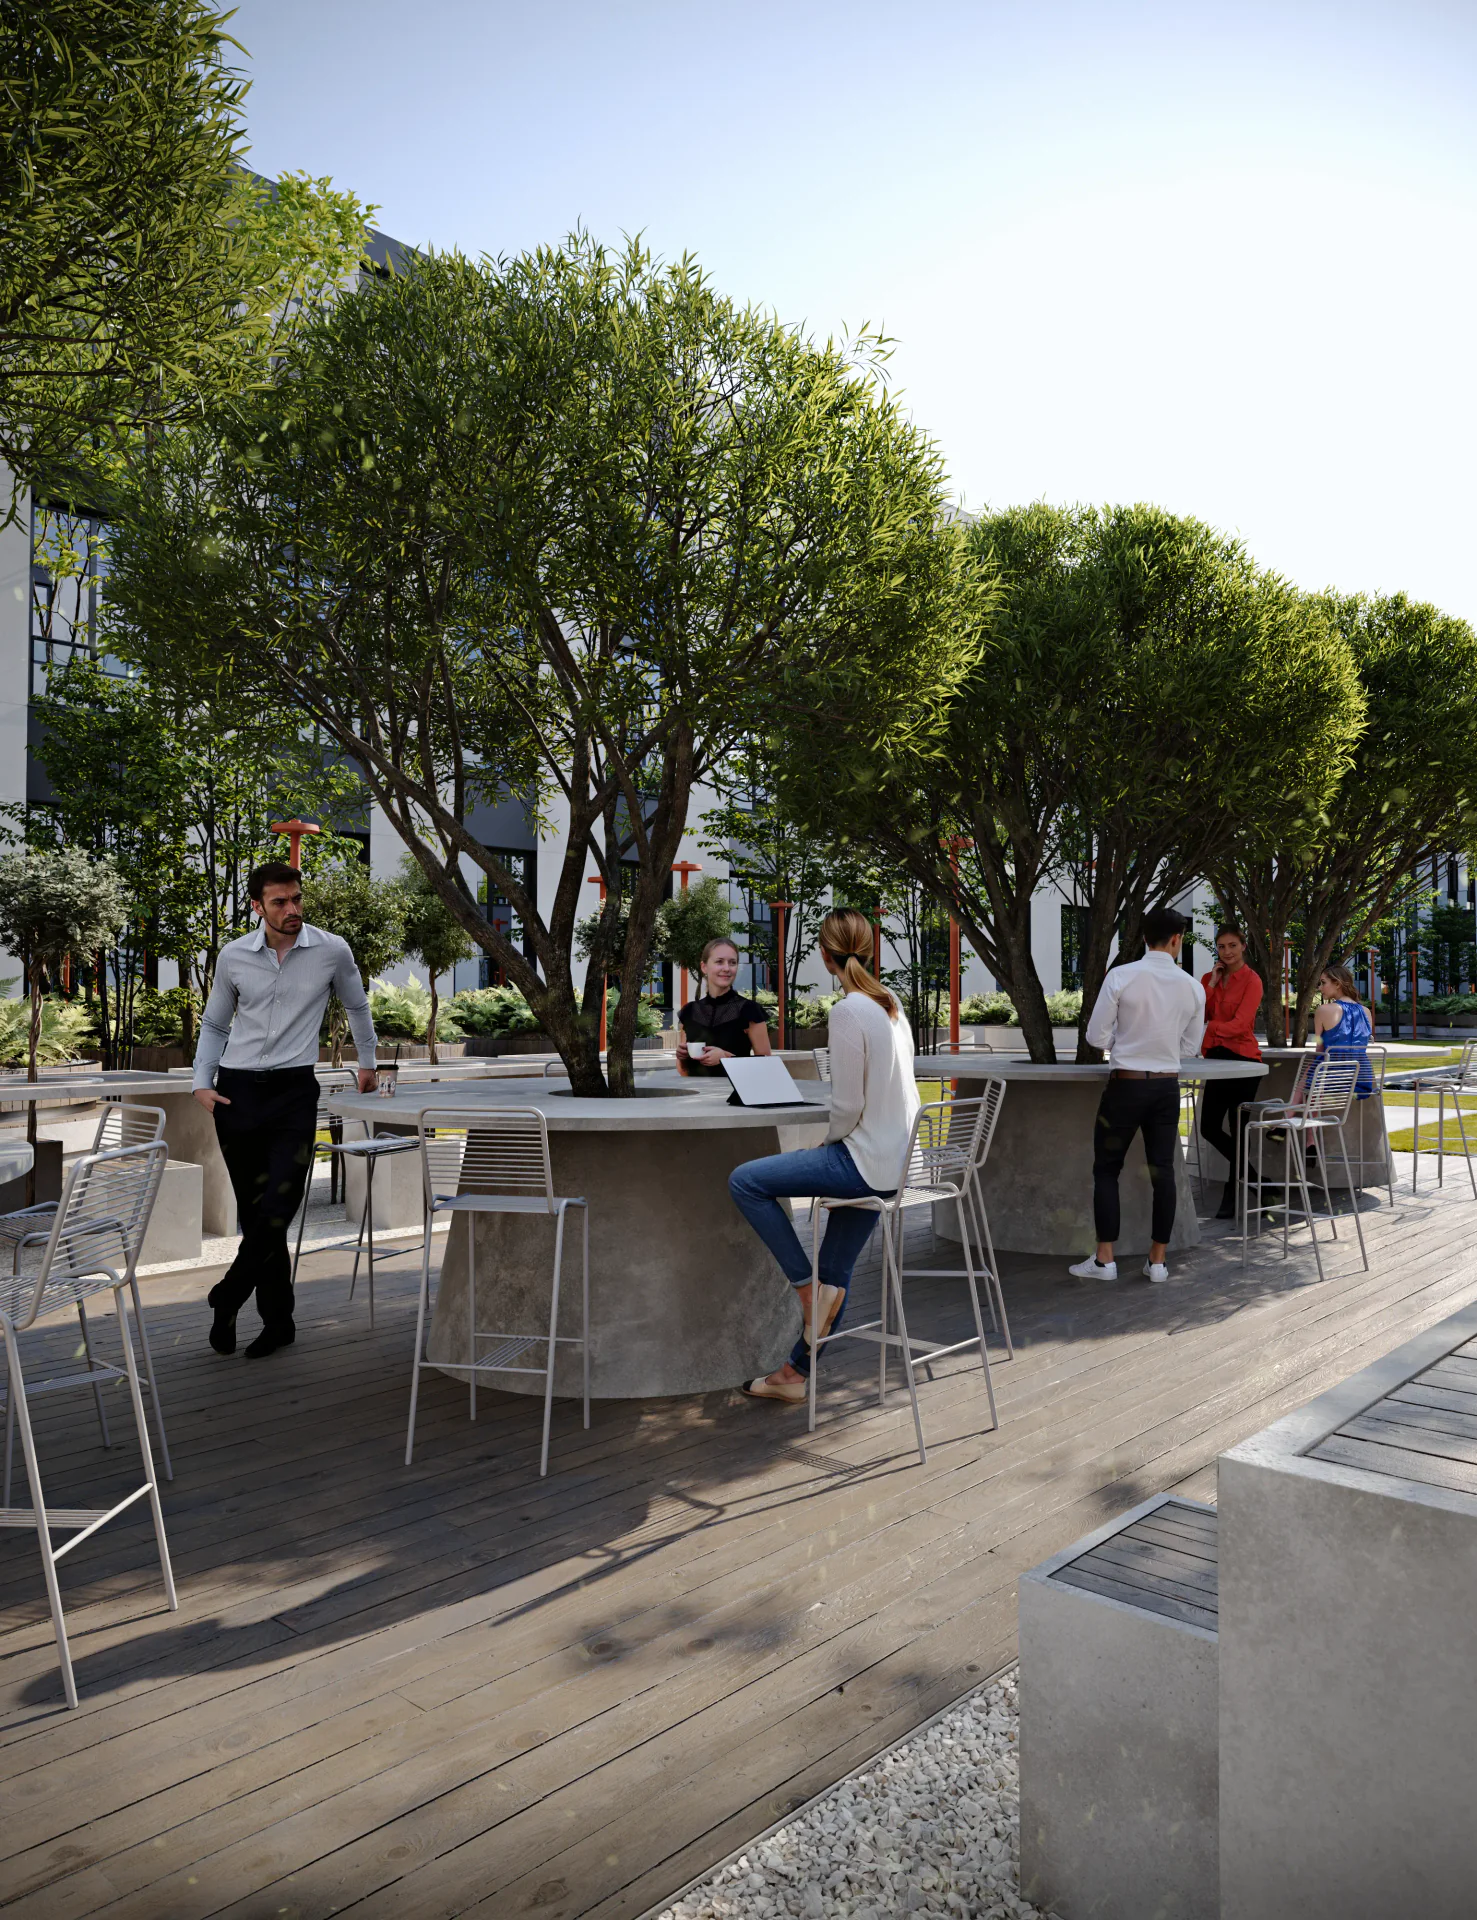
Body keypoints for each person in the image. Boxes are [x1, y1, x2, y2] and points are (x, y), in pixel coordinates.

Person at [728, 908, 919, 1403]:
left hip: (862, 1161)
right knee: (837, 1273)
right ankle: (793, 1375)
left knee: (745, 1181)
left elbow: (848, 1106)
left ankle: (804, 1289)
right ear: (867, 950)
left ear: (824, 953)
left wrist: (828, 1142)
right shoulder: (890, 1003)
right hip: (895, 1165)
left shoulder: (849, 1010)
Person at [193, 861, 378, 1359]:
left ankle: (228, 1293)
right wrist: (201, 1083)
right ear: (258, 906)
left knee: (279, 1205)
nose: (292, 909)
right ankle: (278, 1324)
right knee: (258, 1215)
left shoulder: (331, 950)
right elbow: (215, 1024)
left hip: (294, 1093)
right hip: (236, 1094)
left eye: (296, 898)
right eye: (280, 902)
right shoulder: (234, 956)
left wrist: (368, 1062)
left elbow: (357, 1006)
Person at [1070, 906, 1205, 1286]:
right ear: (1177, 939)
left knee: (1106, 1170)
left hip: (1126, 1086)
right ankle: (1157, 1262)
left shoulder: (1122, 976)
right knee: (1164, 1172)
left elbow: (1095, 1036)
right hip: (1166, 1088)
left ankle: (1105, 1260)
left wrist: (1125, 1041)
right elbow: (1190, 1047)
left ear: (1144, 937)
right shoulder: (1192, 987)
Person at [1199, 926, 1264, 1220]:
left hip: (1244, 1061)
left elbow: (1240, 1024)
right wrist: (1212, 984)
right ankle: (1260, 1182)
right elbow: (1199, 1013)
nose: (1227, 952)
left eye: (1232, 945)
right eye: (1222, 946)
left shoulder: (1252, 981)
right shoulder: (1208, 979)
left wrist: (1211, 1029)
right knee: (1209, 1127)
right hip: (1217, 1060)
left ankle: (1231, 1194)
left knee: (1239, 1131)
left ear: (1243, 946)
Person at [676, 936, 773, 1077]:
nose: (726, 968)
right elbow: (683, 1071)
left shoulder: (750, 1010)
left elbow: (767, 1066)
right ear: (704, 967)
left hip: (733, 1089)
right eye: (719, 962)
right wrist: (682, 1057)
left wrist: (725, 1058)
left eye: (732, 963)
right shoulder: (689, 1011)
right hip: (695, 1089)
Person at [1310, 962, 1375, 1097]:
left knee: (1308, 1076)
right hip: (1361, 1080)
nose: (1319, 988)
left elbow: (1319, 1049)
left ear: (1337, 984)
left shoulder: (1323, 1010)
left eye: (1323, 983)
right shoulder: (1366, 1011)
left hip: (1331, 1079)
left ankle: (1293, 1108)